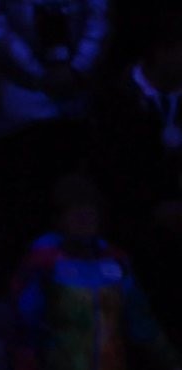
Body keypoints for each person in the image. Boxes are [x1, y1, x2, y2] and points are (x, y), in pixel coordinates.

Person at [11, 174, 182, 370]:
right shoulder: (43, 264)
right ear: (60, 218)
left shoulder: (116, 263)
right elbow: (23, 330)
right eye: (75, 210)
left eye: (90, 209)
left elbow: (141, 322)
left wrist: (172, 365)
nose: (84, 216)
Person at [0, 0, 108, 285]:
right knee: (20, 203)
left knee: (70, 194)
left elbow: (100, 16)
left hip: (75, 100)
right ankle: (18, 287)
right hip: (16, 98)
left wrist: (77, 67)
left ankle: (75, 287)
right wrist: (37, 71)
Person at [90, 15, 182, 339]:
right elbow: (109, 169)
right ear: (160, 51)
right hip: (131, 236)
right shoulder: (116, 99)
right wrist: (150, 209)